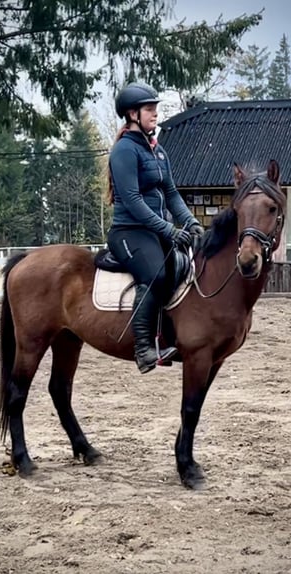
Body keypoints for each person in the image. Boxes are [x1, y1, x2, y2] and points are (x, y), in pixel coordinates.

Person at [106, 81, 205, 374]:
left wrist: (190, 222)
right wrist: (169, 230)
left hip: (155, 231)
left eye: (156, 109)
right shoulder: (124, 151)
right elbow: (133, 200)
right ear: (132, 114)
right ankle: (144, 349)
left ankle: (168, 336)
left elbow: (172, 194)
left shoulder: (158, 151)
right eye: (150, 109)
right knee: (156, 274)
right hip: (129, 232)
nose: (155, 114)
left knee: (181, 268)